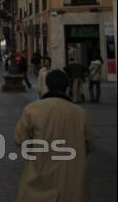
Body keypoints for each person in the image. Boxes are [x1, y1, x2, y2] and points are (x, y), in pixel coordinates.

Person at [14, 70, 94, 202]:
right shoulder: (81, 114)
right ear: (67, 86)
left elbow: (19, 139)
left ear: (47, 84)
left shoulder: (32, 110)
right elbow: (90, 145)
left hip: (39, 177)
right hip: (71, 180)